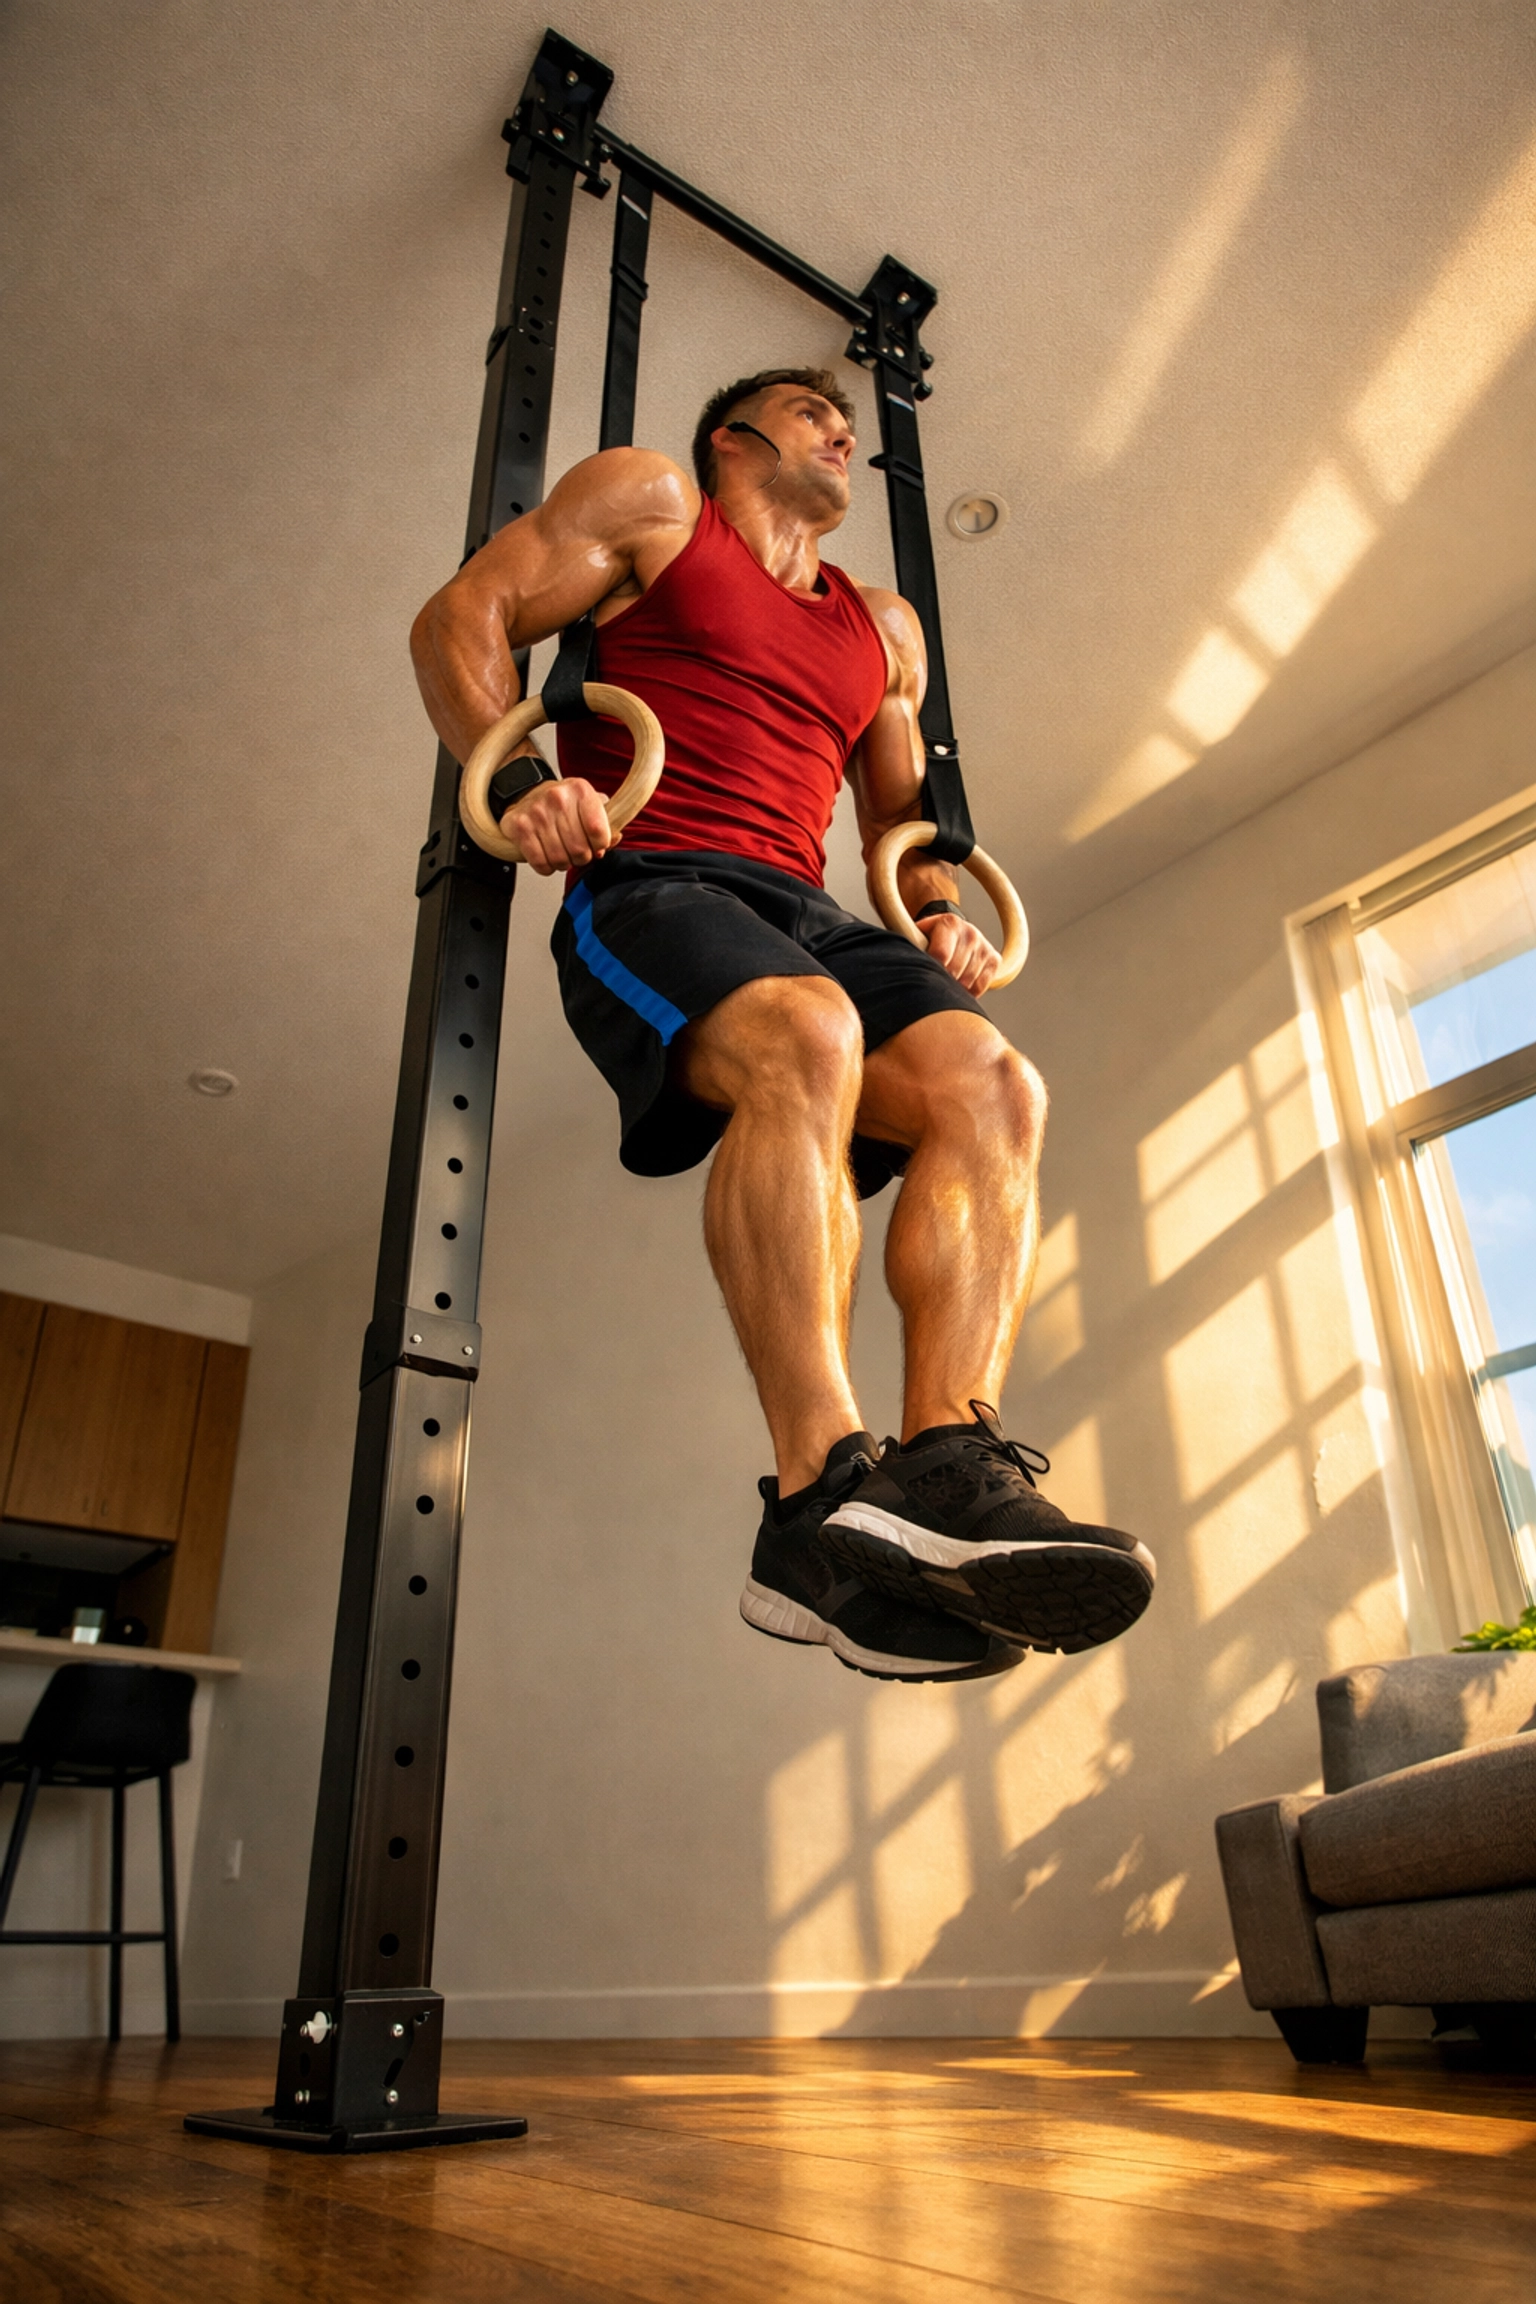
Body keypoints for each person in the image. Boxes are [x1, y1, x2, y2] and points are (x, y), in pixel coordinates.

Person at [411, 366, 1155, 1683]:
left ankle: (949, 1469)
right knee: (809, 1032)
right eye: (816, 414)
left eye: (853, 426)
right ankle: (817, 1500)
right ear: (732, 438)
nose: (844, 434)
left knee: (995, 1084)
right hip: (653, 881)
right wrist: (521, 778)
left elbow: (899, 823)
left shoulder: (883, 628)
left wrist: (936, 913)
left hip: (806, 906)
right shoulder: (652, 501)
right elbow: (460, 617)